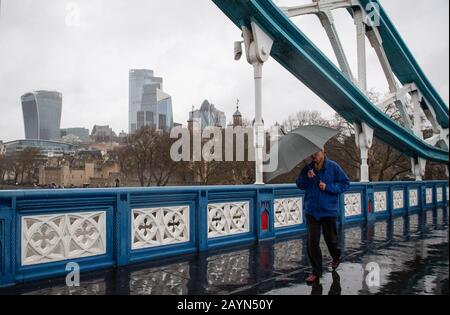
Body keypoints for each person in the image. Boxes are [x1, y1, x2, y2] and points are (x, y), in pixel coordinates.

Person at [296, 148, 350, 285]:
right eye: (312, 153)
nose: (314, 156)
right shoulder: (307, 168)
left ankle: (336, 256)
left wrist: (328, 187)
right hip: (312, 211)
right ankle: (316, 272)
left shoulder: (333, 167)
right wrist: (307, 178)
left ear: (323, 151)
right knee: (312, 242)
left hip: (329, 211)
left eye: (316, 153)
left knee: (331, 240)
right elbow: (299, 184)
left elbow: (345, 184)